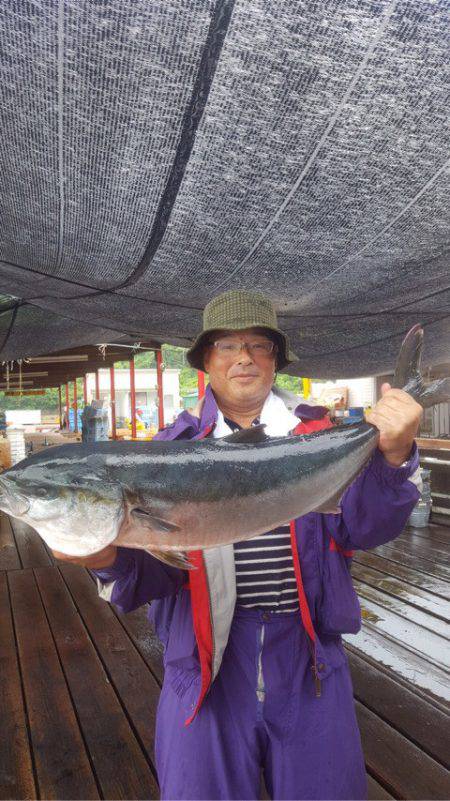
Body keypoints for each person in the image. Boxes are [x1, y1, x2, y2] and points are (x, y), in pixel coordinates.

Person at [53, 290, 422, 800]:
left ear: (275, 360)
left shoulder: (318, 435)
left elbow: (366, 528)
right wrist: (108, 560)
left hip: (310, 660)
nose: (243, 357)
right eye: (227, 345)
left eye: (258, 345)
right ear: (206, 361)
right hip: (205, 666)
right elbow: (154, 579)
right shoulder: (170, 452)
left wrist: (394, 455)